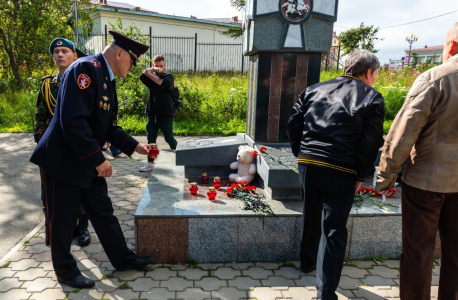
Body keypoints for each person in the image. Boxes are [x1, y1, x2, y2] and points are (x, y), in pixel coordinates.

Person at [30, 30, 153, 289]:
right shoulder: (85, 69)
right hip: (64, 161)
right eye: (132, 62)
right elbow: (73, 121)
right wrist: (98, 159)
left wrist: (136, 147)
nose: (132, 69)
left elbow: (108, 127)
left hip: (84, 160)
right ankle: (65, 271)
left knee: (103, 212)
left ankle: (122, 259)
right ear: (119, 54)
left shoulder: (106, 79)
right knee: (64, 219)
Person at [287, 49, 385, 300]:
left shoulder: (313, 89)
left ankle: (307, 263)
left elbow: (293, 123)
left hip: (309, 162)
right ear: (369, 72)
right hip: (341, 168)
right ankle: (326, 291)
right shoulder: (372, 97)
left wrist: (303, 153)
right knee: (334, 229)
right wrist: (361, 175)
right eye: (375, 75)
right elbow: (370, 142)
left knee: (310, 213)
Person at [376, 23, 458, 300]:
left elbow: (402, 134)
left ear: (452, 45)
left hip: (426, 183)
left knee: (418, 254)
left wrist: (385, 178)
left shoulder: (437, 77)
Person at [35, 38, 91, 248]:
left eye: (65, 51)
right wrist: (41, 145)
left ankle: (83, 226)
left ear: (74, 55)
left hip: (79, 145)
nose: (60, 55)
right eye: (56, 52)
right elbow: (41, 116)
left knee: (82, 186)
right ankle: (66, 227)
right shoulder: (47, 84)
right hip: (55, 147)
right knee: (56, 190)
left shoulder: (84, 80)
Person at [139, 54, 177, 172]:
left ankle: (180, 158)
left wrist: (151, 73)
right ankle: (150, 162)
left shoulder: (169, 77)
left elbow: (163, 84)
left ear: (164, 65)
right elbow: (142, 75)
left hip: (166, 114)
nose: (159, 68)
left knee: (169, 138)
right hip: (152, 114)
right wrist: (152, 70)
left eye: (161, 66)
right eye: (156, 66)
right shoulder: (150, 78)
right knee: (151, 140)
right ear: (153, 65)